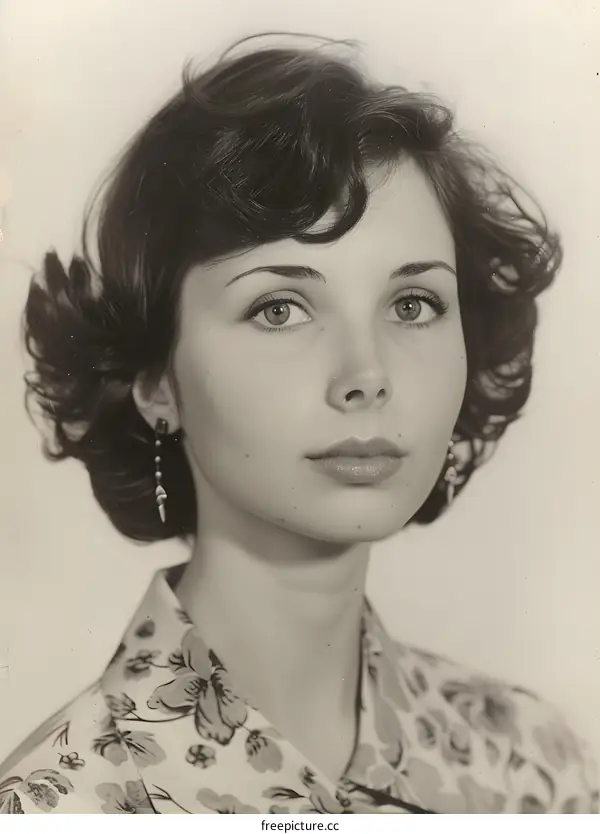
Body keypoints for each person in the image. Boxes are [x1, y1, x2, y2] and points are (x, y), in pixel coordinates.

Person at [0, 33, 596, 815]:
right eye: (279, 308)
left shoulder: (534, 767)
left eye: (412, 305)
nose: (366, 377)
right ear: (154, 383)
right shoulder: (55, 809)